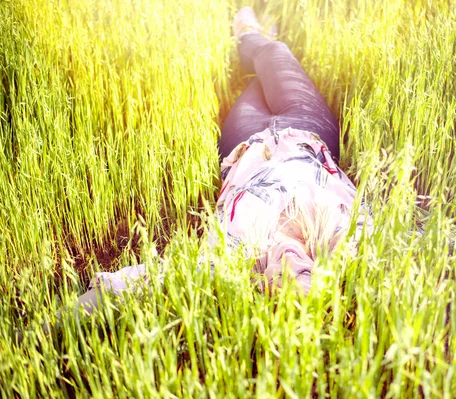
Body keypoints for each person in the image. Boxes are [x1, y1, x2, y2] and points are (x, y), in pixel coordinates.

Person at [76, 6, 370, 314]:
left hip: (244, 138)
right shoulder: (348, 238)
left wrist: (57, 324)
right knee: (275, 53)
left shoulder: (234, 258)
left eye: (282, 278)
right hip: (307, 127)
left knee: (257, 79)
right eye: (305, 273)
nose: (290, 263)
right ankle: (253, 36)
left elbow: (149, 281)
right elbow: (416, 242)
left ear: (266, 286)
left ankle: (253, 41)